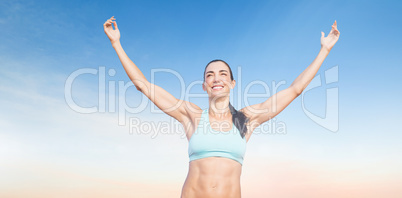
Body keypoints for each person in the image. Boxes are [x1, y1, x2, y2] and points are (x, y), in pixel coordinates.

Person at [103, 16, 340, 198]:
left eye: (223, 74)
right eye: (210, 75)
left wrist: (325, 50)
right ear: (204, 85)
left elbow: (295, 89)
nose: (216, 78)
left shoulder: (247, 119)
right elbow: (144, 86)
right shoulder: (191, 115)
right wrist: (117, 44)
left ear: (232, 83)